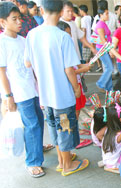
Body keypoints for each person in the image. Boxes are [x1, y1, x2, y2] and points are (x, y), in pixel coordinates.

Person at [24, 0, 89, 176]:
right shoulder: (62, 37)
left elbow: (28, 63)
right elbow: (69, 69)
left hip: (45, 95)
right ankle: (67, 165)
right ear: (61, 12)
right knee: (65, 128)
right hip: (62, 96)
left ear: (42, 10)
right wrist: (76, 88)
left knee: (54, 127)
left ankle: (62, 160)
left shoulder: (32, 34)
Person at [0, 2, 44, 178]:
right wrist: (8, 96)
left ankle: (37, 148)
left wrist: (38, 85)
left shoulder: (23, 40)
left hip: (31, 89)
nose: (19, 22)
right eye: (14, 19)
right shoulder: (2, 42)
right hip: (18, 93)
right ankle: (32, 161)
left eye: (19, 18)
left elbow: (32, 66)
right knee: (31, 125)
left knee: (38, 122)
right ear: (3, 22)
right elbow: (1, 71)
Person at [57, 21, 91, 119]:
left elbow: (76, 64)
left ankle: (75, 126)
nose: (71, 35)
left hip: (77, 83)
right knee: (72, 110)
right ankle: (73, 127)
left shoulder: (69, 46)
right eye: (68, 33)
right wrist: (83, 69)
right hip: (71, 85)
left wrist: (86, 65)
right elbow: (68, 72)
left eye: (70, 33)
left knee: (77, 108)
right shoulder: (60, 50)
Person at [94, 0, 114, 92]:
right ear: (101, 15)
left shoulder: (103, 23)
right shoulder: (100, 24)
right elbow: (103, 39)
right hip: (103, 48)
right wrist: (110, 50)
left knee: (108, 68)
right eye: (106, 14)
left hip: (105, 48)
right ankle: (100, 83)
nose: (108, 15)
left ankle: (109, 88)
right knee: (109, 67)